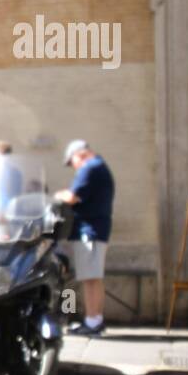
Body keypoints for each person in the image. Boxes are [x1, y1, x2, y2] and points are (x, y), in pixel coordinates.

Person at [56, 139, 115, 336]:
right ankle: (95, 319)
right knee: (94, 278)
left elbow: (72, 197)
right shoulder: (99, 166)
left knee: (89, 279)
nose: (73, 167)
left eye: (71, 161)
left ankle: (92, 322)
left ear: (79, 155)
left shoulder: (90, 168)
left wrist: (60, 195)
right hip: (96, 230)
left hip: (88, 231)